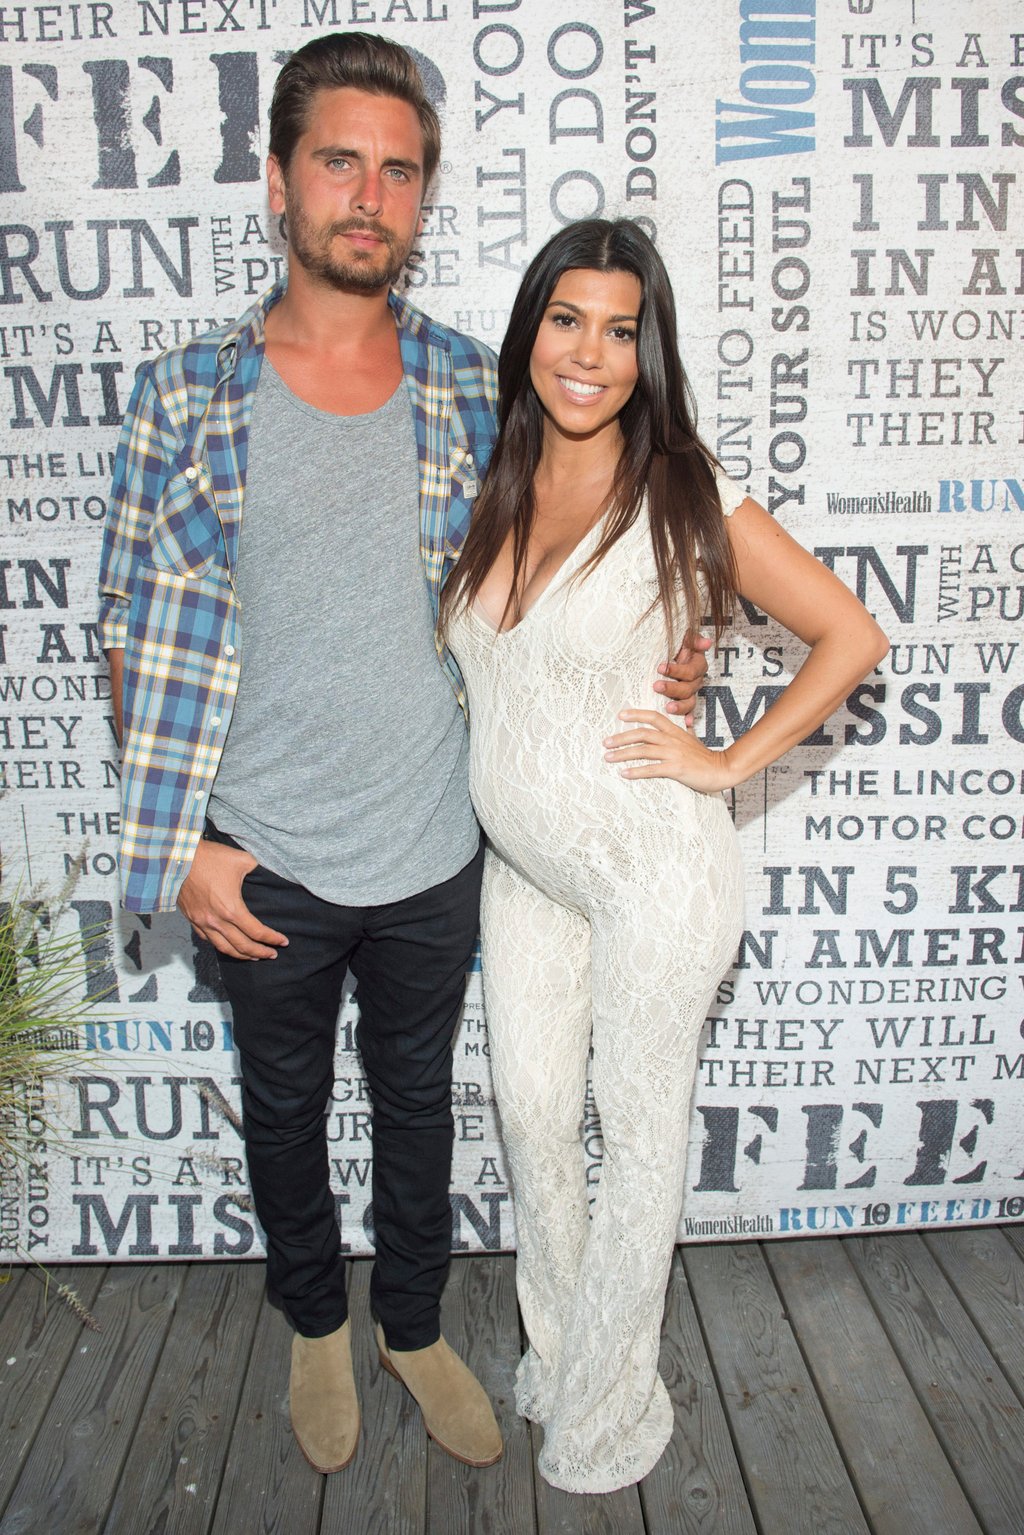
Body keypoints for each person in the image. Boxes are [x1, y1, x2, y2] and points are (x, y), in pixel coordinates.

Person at [97, 38, 707, 1477]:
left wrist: (672, 648)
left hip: (440, 847)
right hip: (263, 857)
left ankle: (415, 1321)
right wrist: (181, 843)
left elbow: (597, 520)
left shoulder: (469, 388)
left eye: (398, 169)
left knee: (425, 1106)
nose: (368, 195)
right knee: (287, 1105)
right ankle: (317, 1316)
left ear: (423, 199)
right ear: (278, 183)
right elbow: (126, 632)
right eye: (338, 161)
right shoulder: (181, 398)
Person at [439, 218, 890, 1495]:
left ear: (650, 348)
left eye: (621, 328)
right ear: (530, 330)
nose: (590, 352)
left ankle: (601, 1407)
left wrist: (727, 760)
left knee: (636, 1134)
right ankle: (568, 1346)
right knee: (532, 1115)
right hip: (525, 868)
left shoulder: (685, 486)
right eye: (565, 319)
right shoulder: (492, 479)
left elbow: (849, 635)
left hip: (653, 869)